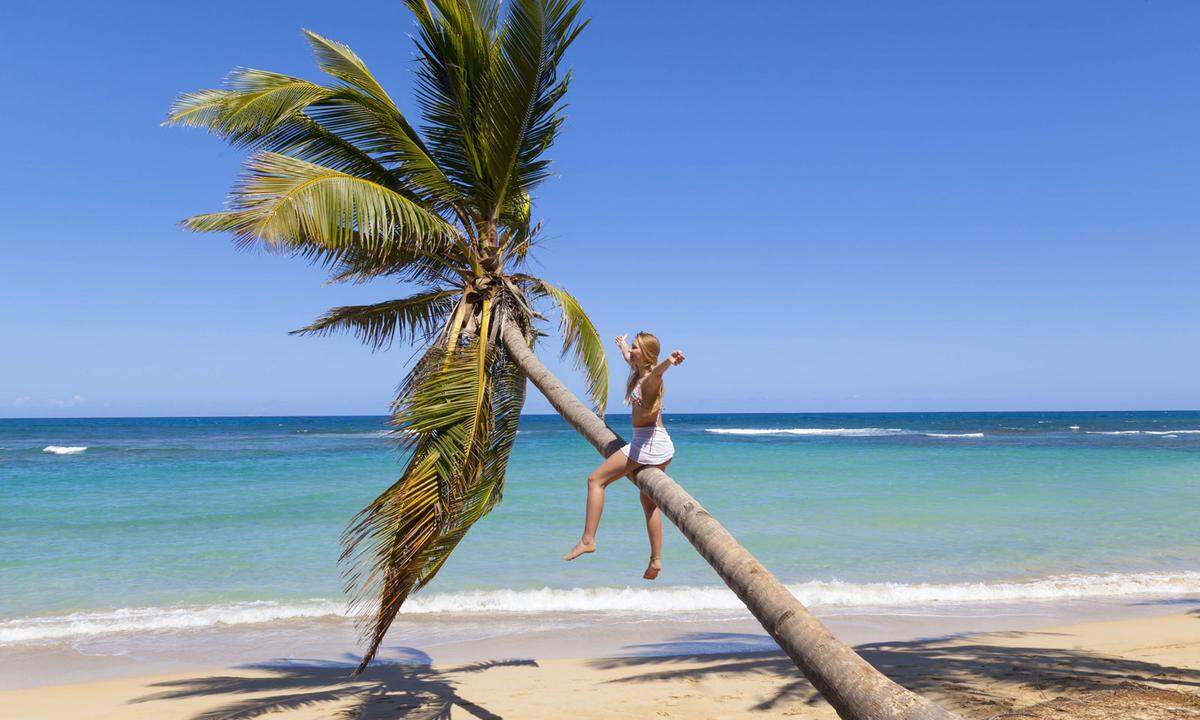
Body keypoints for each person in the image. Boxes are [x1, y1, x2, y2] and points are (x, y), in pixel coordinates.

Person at [563, 331, 686, 580]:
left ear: (648, 354)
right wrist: (621, 346)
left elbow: (658, 374)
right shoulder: (638, 368)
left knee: (595, 480)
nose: (632, 351)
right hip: (660, 444)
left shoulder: (651, 378)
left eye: (636, 347)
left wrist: (669, 362)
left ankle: (588, 539)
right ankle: (656, 560)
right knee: (649, 502)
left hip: (647, 445)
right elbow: (629, 358)